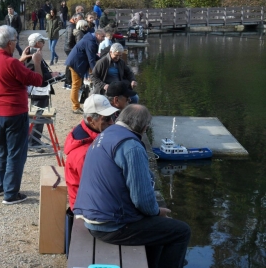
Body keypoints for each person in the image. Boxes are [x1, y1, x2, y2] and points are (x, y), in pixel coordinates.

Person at [73, 104, 191, 268]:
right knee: (181, 231)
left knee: (159, 231)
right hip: (110, 226)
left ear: (119, 118)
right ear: (144, 127)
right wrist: (157, 211)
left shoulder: (107, 134)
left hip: (91, 216)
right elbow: (142, 200)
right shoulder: (132, 147)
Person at [0, 25, 43, 205]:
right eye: (15, 41)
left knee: (3, 149)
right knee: (16, 153)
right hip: (14, 112)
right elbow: (38, 80)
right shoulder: (12, 64)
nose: (16, 43)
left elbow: (8, 73)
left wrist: (20, 60)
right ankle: (11, 193)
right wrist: (37, 62)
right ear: (10, 43)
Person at [64, 94, 118, 210]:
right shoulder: (85, 154)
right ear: (90, 120)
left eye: (113, 117)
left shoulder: (85, 131)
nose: (112, 122)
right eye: (106, 119)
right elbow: (97, 189)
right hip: (88, 209)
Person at [25, 33, 62, 153]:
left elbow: (40, 72)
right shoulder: (32, 56)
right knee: (38, 118)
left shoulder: (35, 53)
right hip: (38, 91)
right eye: (42, 41)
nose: (44, 43)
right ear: (36, 43)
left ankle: (35, 140)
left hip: (41, 90)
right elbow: (34, 74)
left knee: (39, 117)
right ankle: (33, 142)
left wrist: (51, 75)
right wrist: (49, 75)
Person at [65, 29, 105, 114]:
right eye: (102, 36)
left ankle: (76, 106)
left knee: (77, 85)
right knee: (76, 85)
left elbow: (92, 55)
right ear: (97, 35)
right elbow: (91, 59)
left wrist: (102, 60)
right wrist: (96, 72)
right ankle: (75, 107)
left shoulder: (90, 39)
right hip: (76, 64)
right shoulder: (91, 42)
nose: (104, 39)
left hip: (77, 62)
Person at [63, 13, 84, 90]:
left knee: (69, 64)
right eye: (80, 19)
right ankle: (68, 82)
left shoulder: (74, 26)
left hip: (71, 47)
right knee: (70, 64)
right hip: (70, 48)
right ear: (75, 19)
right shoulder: (71, 27)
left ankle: (67, 81)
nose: (81, 20)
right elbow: (69, 40)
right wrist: (73, 50)